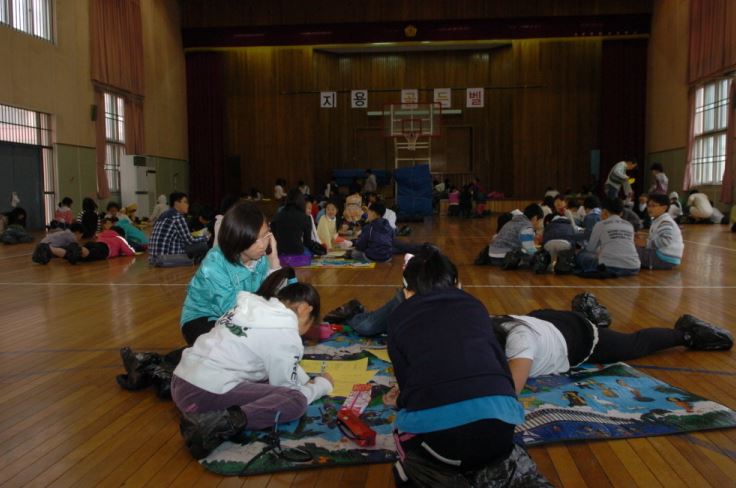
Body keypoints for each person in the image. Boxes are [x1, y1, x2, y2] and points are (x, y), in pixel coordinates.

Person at [385, 245, 526, 485]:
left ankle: (414, 474)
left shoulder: (398, 317)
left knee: (402, 431)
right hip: (502, 435)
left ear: (406, 292)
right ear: (458, 284)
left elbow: (408, 387)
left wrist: (398, 401)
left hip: (441, 448)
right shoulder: (476, 306)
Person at [171, 269, 332, 459]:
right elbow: (287, 389)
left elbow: (278, 360)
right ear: (305, 309)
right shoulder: (286, 333)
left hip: (180, 380)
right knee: (295, 400)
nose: (305, 331)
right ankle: (219, 424)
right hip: (202, 396)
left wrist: (304, 378)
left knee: (261, 374)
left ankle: (219, 417)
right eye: (310, 324)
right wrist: (320, 386)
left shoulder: (251, 308)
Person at [490, 293, 733, 394]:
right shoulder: (487, 327)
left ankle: (686, 333)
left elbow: (508, 393)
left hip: (579, 336)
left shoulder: (519, 343)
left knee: (633, 345)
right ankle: (589, 313)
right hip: (542, 320)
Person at [180, 201, 281, 345]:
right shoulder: (214, 263)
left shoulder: (262, 258)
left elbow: (282, 299)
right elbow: (231, 310)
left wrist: (274, 261)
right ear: (238, 237)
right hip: (203, 317)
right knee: (240, 343)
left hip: (244, 315)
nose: (262, 245)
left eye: (265, 235)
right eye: (254, 239)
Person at [576, 198, 640, 276]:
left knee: (581, 255)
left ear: (605, 212)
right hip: (634, 267)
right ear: (621, 213)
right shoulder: (629, 225)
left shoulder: (600, 224)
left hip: (609, 267)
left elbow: (591, 248)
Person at [148, 192, 209, 267]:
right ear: (176, 203)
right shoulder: (177, 217)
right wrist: (206, 237)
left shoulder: (164, 215)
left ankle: (190, 262)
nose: (188, 205)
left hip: (153, 258)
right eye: (185, 202)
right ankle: (194, 268)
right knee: (203, 245)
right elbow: (189, 241)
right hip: (166, 259)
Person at [271, 189, 323, 266]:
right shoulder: (305, 217)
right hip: (298, 257)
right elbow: (307, 242)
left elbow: (273, 233)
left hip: (280, 257)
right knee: (309, 253)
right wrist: (320, 249)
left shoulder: (278, 215)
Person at [59, 218, 136, 264]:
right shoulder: (119, 238)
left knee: (79, 255)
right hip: (105, 249)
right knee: (89, 254)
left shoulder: (103, 233)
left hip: (95, 243)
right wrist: (133, 251)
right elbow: (129, 252)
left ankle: (54, 250)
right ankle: (77, 248)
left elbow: (96, 237)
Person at [637, 193, 684, 269]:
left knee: (631, 250)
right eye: (648, 205)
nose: (649, 208)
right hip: (664, 256)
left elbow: (665, 240)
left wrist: (646, 243)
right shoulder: (658, 220)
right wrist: (643, 239)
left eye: (653, 206)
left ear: (664, 208)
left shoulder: (665, 222)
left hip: (664, 257)